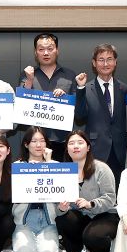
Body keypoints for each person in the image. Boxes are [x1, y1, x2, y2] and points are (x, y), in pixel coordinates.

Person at [55, 130, 118, 252]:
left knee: (93, 237)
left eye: (80, 142)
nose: (76, 146)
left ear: (88, 147)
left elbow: (110, 198)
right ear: (67, 148)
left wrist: (91, 204)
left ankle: (102, 250)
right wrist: (61, 208)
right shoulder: (63, 171)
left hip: (104, 215)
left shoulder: (101, 168)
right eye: (71, 143)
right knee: (62, 218)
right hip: (80, 216)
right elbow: (57, 205)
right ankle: (76, 249)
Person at [18, 33, 78, 162]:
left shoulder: (69, 75)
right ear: (35, 52)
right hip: (35, 143)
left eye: (50, 49)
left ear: (57, 50)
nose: (46, 53)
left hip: (62, 140)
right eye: (41, 49)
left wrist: (65, 99)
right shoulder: (26, 74)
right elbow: (21, 107)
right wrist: (29, 80)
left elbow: (78, 109)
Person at [75, 43, 127, 183]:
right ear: (94, 63)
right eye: (101, 60)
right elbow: (79, 116)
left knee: (118, 188)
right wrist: (80, 88)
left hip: (120, 150)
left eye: (109, 59)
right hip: (95, 149)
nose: (105, 64)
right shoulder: (85, 89)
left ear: (115, 62)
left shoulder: (125, 89)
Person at [12, 127, 60, 252]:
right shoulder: (18, 166)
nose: (38, 145)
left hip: (48, 221)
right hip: (25, 221)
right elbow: (13, 195)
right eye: (34, 141)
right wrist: (29, 172)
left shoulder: (55, 165)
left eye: (42, 141)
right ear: (26, 144)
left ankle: (39, 247)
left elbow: (60, 194)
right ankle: (30, 246)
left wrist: (47, 165)